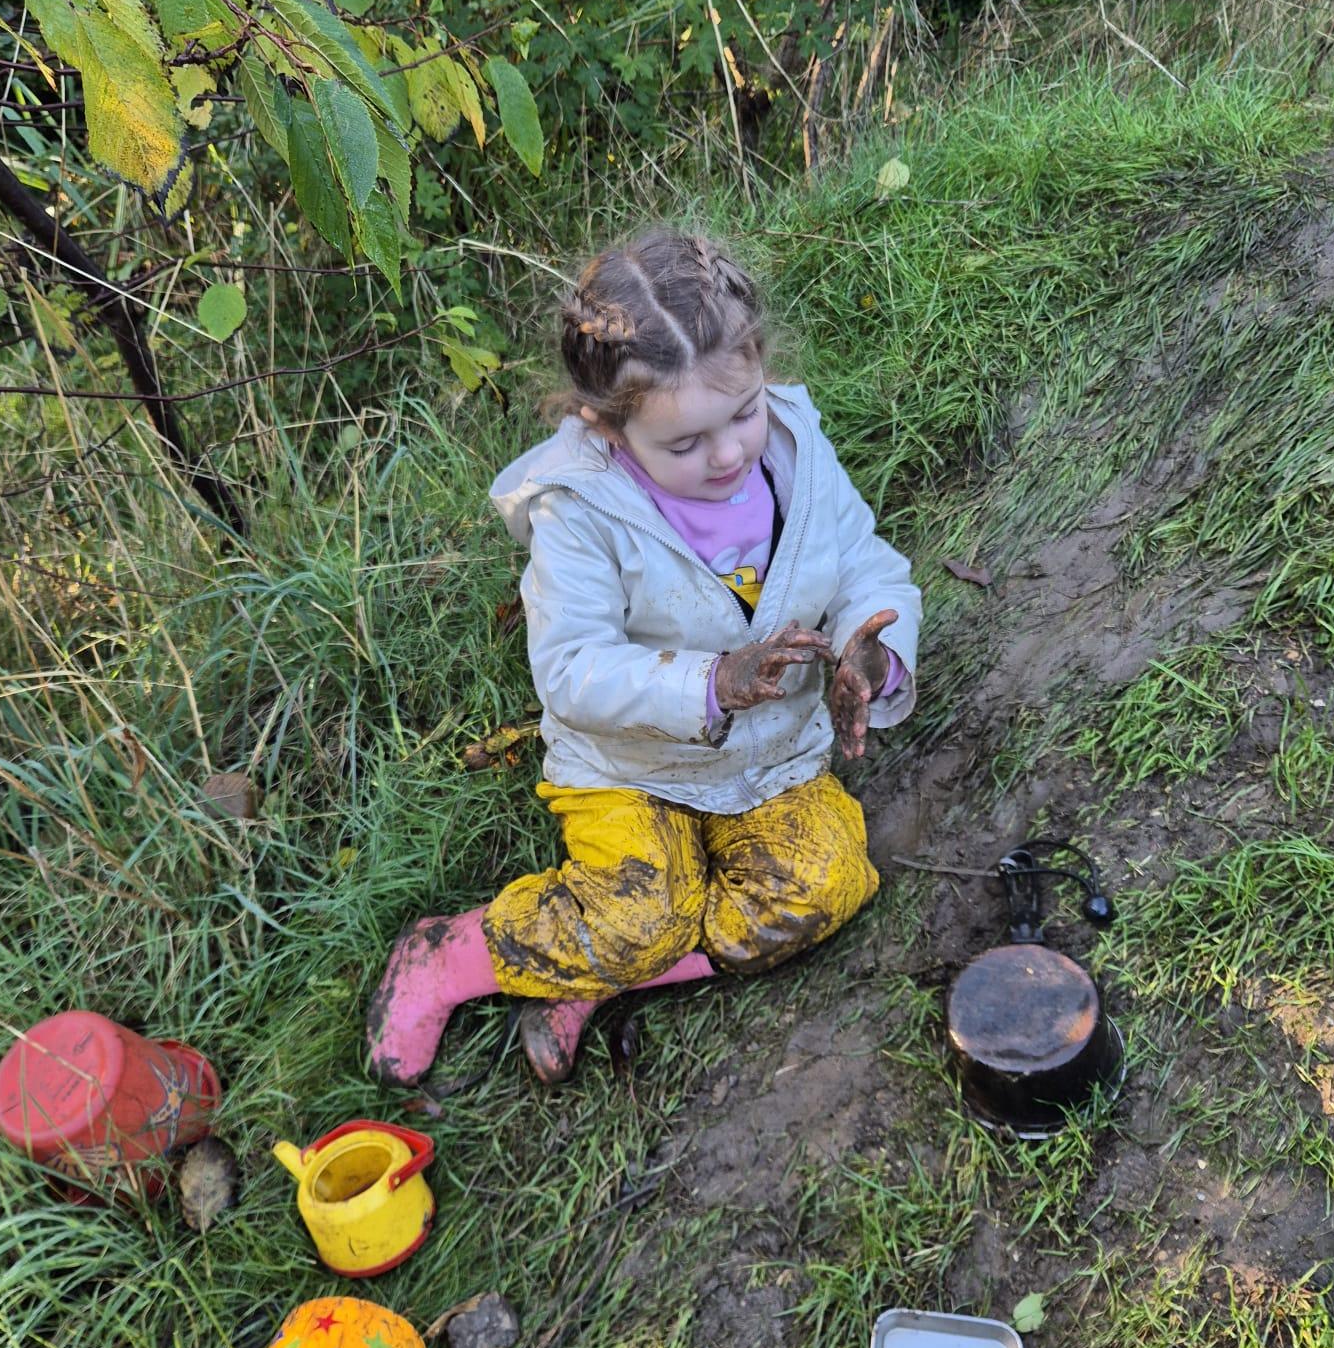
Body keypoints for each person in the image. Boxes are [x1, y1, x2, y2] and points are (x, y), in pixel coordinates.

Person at [367, 229, 921, 1086]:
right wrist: (713, 681)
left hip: (770, 758)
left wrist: (869, 654)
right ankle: (450, 956)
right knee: (642, 914)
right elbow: (572, 669)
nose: (729, 453)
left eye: (743, 413)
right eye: (685, 444)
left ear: (761, 372)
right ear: (608, 424)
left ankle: (597, 972)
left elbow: (863, 563)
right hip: (629, 766)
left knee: (827, 882)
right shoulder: (582, 512)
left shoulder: (797, 451)